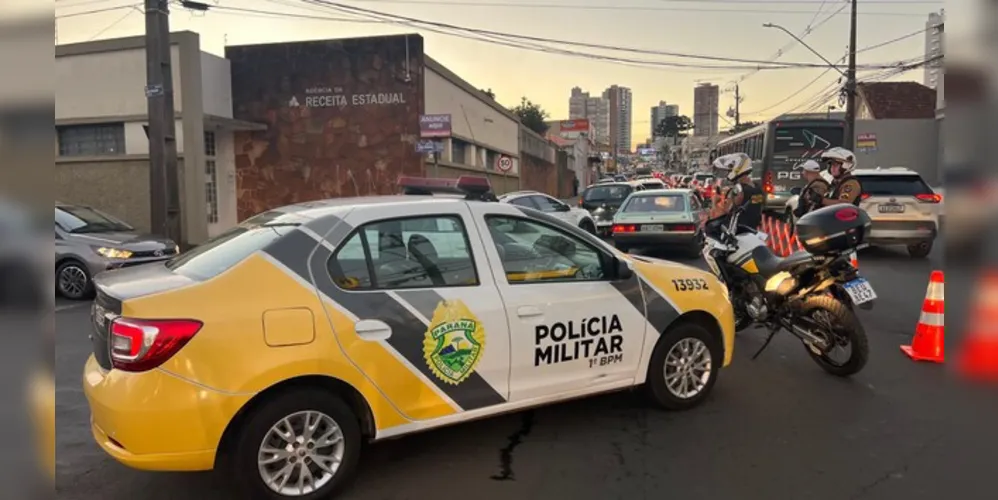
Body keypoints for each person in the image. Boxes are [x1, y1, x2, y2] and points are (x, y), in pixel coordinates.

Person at [712, 152, 764, 231]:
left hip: (738, 231)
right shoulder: (757, 187)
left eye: (729, 170)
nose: (728, 173)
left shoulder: (738, 189)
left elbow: (725, 212)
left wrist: (715, 202)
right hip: (753, 230)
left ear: (737, 168)